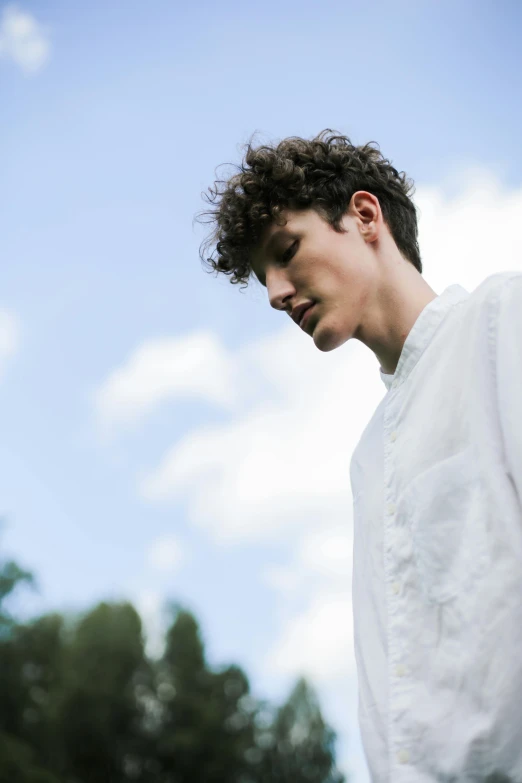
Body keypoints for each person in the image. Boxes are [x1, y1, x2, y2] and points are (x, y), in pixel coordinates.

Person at [196, 129, 522, 782]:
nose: (275, 294)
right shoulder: (367, 458)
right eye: (264, 277)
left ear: (365, 216)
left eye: (286, 252)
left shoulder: (502, 321)